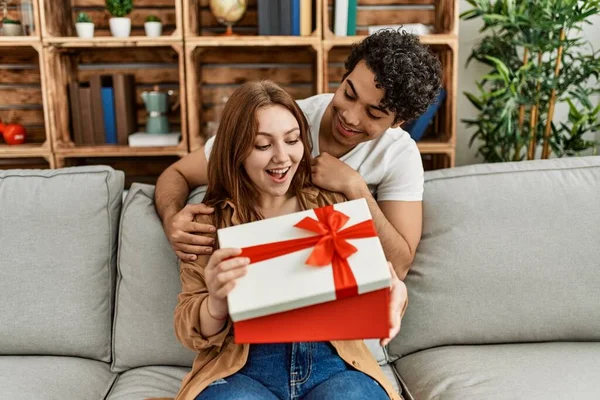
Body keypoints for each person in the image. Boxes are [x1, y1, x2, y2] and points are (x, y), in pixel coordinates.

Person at [173, 81, 408, 400]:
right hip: (242, 368)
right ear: (236, 150)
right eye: (262, 145)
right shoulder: (208, 223)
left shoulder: (334, 203)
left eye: (293, 140)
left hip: (334, 365)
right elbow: (190, 331)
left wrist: (393, 292)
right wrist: (216, 302)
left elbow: (380, 285)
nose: (282, 158)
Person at [156, 29, 442, 280]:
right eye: (349, 94)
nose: (350, 117)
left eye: (373, 113)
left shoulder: (398, 155)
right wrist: (172, 219)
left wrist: (354, 187)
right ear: (343, 78)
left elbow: (400, 264)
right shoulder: (284, 122)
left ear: (397, 122)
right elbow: (176, 173)